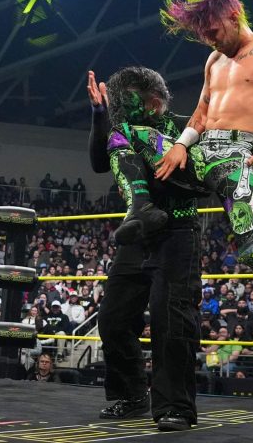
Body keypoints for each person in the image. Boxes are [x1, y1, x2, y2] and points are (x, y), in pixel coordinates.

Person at [101, 0, 253, 355]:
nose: (211, 41)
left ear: (233, 16)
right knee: (124, 133)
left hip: (240, 157)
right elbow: (201, 114)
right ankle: (140, 207)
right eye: (204, 36)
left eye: (214, 32)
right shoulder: (214, 61)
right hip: (201, 153)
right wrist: (181, 145)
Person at [88, 67, 202, 431]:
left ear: (153, 103)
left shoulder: (185, 130)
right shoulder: (121, 129)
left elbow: (198, 184)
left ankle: (176, 406)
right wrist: (99, 114)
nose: (122, 113)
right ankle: (133, 395)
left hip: (176, 231)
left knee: (172, 321)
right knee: (113, 319)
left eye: (127, 105)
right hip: (137, 233)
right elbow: (98, 163)